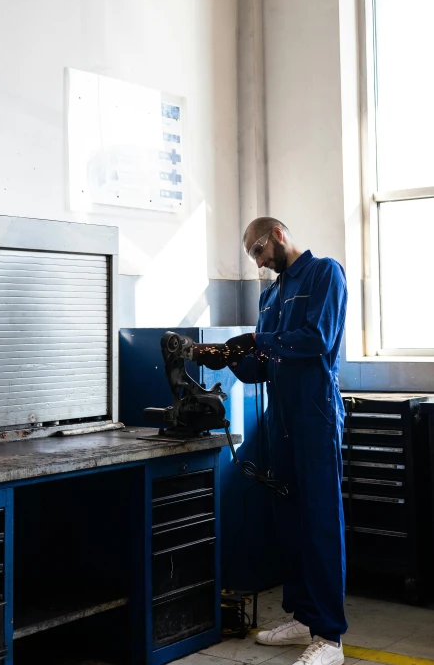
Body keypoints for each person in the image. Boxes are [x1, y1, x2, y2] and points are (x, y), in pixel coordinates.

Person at [193, 217, 348, 665]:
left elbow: (317, 339)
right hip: (280, 419)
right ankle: (303, 617)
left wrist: (257, 339)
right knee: (291, 521)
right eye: (253, 259)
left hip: (315, 417)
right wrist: (229, 358)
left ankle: (330, 637)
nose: (259, 264)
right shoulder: (271, 294)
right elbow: (264, 364)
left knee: (320, 522)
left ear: (277, 235)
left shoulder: (325, 274)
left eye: (259, 253)